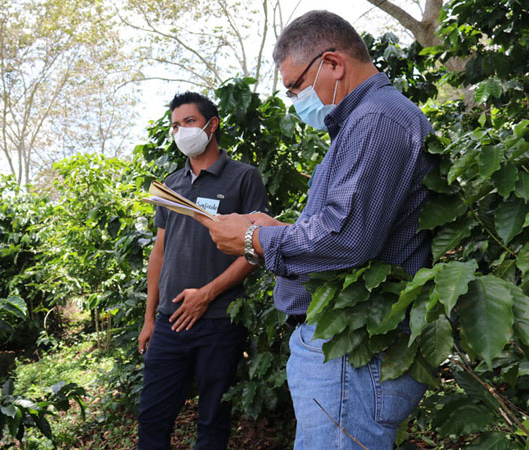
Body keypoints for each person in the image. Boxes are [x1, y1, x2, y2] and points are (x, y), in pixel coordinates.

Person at [194, 10, 434, 450]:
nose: (296, 101)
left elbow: (345, 240)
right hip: (343, 349)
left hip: (350, 349)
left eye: (296, 87)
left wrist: (253, 239)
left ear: (333, 64)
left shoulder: (376, 120)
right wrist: (277, 229)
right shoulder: (363, 123)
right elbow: (352, 228)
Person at [138, 92, 270, 450]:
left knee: (213, 421)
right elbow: (160, 252)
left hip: (219, 322)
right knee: (152, 417)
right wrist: (150, 318)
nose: (181, 131)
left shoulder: (244, 178)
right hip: (169, 321)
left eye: (189, 122)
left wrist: (207, 294)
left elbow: (257, 247)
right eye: (175, 125)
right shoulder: (171, 184)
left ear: (212, 126)